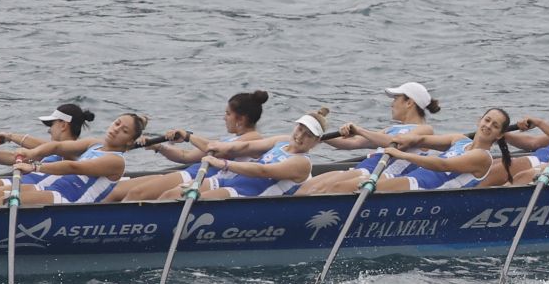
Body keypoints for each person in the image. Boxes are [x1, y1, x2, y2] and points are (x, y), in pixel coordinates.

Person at [0, 112, 150, 208]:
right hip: (49, 192)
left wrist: (34, 165)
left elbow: (73, 166)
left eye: (124, 131)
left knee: (1, 203)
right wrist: (31, 154)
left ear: (130, 141)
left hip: (70, 204)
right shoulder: (93, 143)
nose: (115, 130)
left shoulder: (116, 162)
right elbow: (56, 146)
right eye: (116, 123)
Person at [104, 89, 270, 203]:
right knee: (127, 191)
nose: (224, 118)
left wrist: (188, 136)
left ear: (240, 119)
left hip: (201, 179)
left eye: (227, 114)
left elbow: (213, 147)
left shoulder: (254, 139)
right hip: (192, 173)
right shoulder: (232, 139)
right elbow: (185, 156)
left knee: (139, 194)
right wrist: (159, 147)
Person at [300, 81, 441, 194]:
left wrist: (360, 130)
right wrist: (316, 133)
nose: (392, 104)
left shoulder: (424, 129)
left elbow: (398, 143)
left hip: (381, 175)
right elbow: (353, 143)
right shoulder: (391, 129)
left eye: (396, 99)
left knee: (333, 187)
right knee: (308, 187)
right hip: (365, 168)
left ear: (409, 103)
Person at [192, 107, 333, 199]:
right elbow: (247, 145)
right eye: (300, 129)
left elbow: (263, 171)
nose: (300, 136)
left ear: (317, 141)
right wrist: (221, 146)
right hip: (231, 181)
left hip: (247, 196)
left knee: (198, 200)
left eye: (308, 135)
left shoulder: (302, 163)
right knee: (173, 194)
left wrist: (223, 163)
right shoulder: (283, 140)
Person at [368, 108, 512, 193]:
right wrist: (409, 139)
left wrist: (402, 154)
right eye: (487, 120)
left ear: (499, 135)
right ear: (479, 120)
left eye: (495, 125)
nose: (488, 126)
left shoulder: (482, 157)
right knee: (356, 183)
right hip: (412, 180)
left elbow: (442, 165)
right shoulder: (459, 139)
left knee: (365, 188)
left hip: (424, 191)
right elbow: (423, 140)